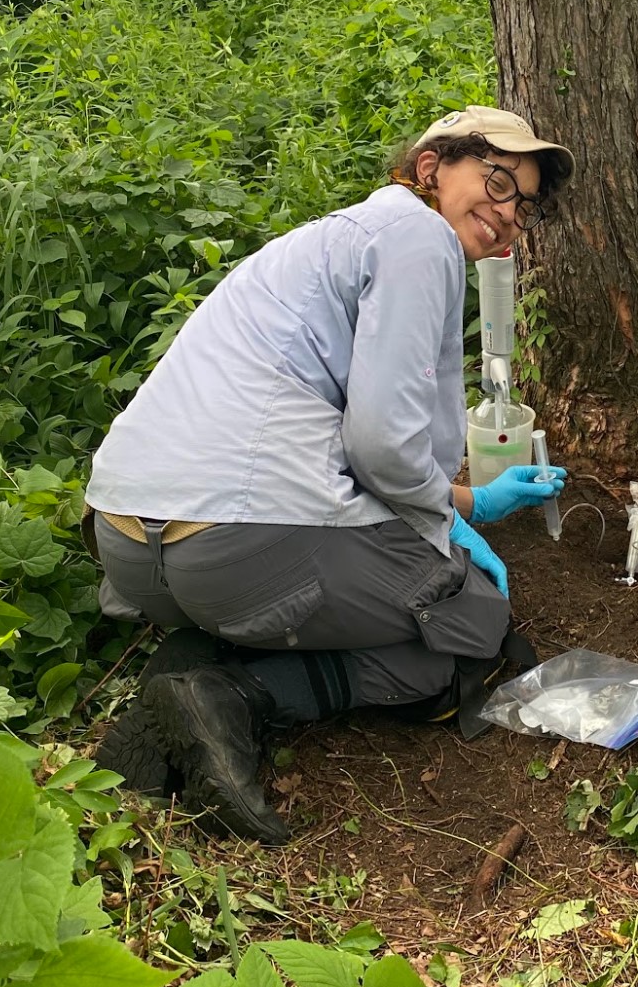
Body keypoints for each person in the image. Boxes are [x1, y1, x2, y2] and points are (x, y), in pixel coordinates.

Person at [84, 107, 572, 843]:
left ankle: (186, 667)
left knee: (399, 581)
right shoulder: (419, 239)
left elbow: (337, 443)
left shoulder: (337, 240)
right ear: (432, 167)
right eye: (496, 181)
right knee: (473, 627)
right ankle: (234, 694)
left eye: (522, 204)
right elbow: (380, 447)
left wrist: (467, 499)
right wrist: (449, 531)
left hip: (130, 542)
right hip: (241, 542)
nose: (506, 214)